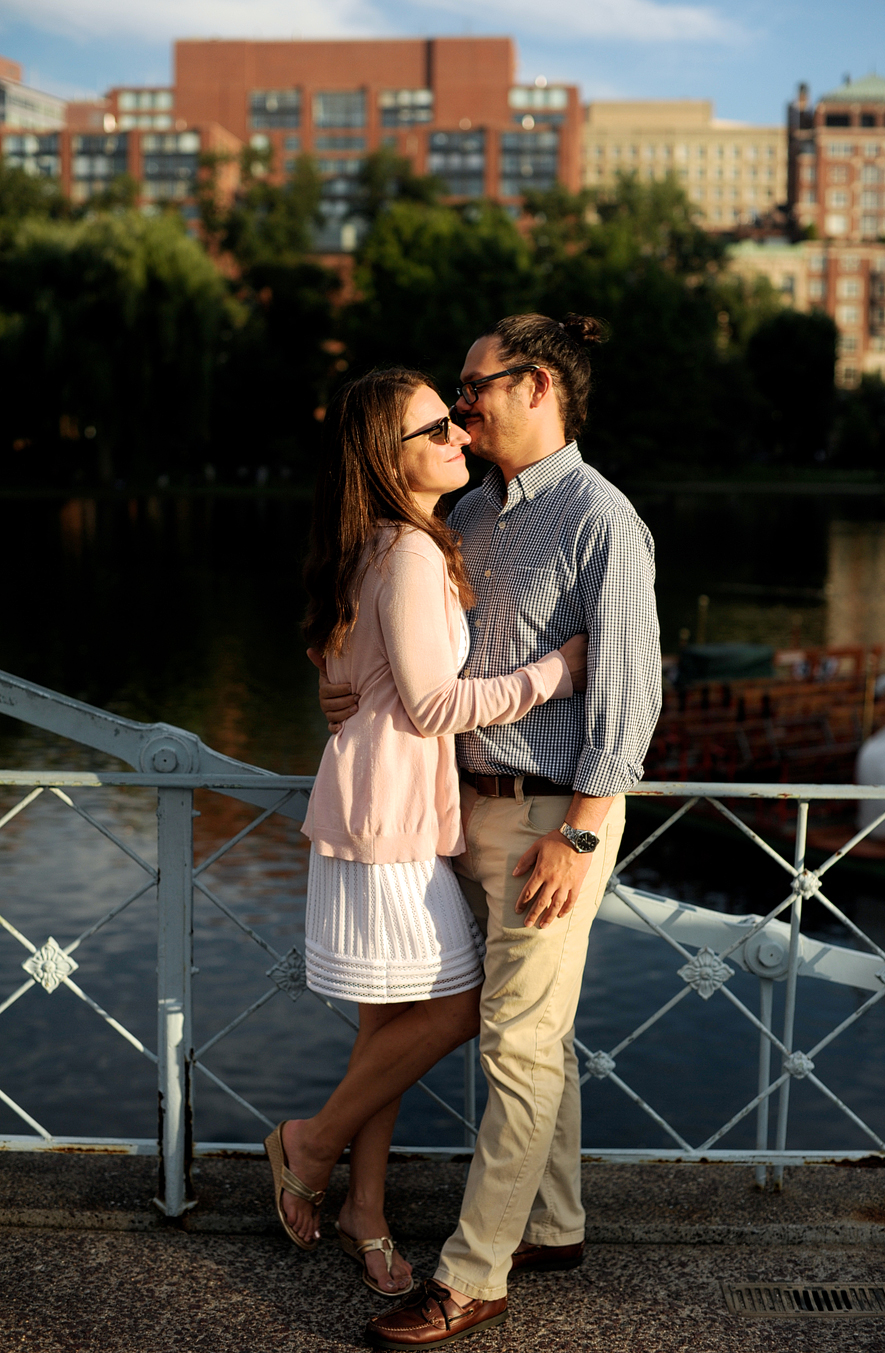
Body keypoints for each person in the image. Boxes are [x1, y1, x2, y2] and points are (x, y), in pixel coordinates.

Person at [319, 315, 661, 1348]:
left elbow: (633, 692)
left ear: (540, 387)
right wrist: (346, 691)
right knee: (528, 1039)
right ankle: (552, 1225)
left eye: (474, 389)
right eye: (455, 399)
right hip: (461, 811)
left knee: (513, 1044)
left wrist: (586, 833)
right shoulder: (464, 514)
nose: (462, 409)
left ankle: (472, 1276)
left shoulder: (602, 516)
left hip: (555, 815)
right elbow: (391, 645)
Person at [266, 367, 587, 1300]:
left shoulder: (381, 542)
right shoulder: (406, 551)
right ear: (386, 456)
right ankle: (311, 1142)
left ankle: (366, 1208)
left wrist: (342, 690)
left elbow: (353, 668)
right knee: (453, 1006)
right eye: (434, 427)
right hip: (391, 821)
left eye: (454, 419)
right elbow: (437, 699)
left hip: (379, 807)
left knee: (388, 1026)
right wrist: (556, 672)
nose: (457, 433)